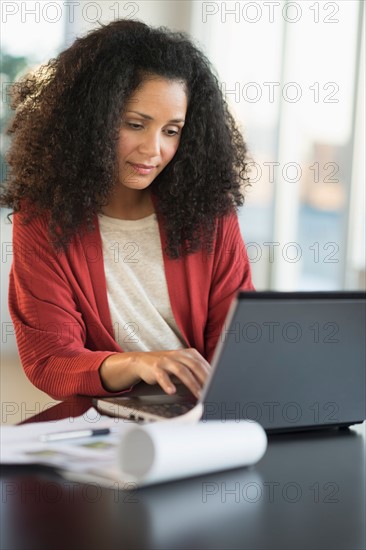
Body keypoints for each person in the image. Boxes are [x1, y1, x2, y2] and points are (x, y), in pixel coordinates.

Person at [1, 19, 254, 401]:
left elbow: (237, 345)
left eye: (172, 130)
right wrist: (138, 363)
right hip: (108, 418)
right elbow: (50, 360)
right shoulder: (43, 220)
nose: (154, 150)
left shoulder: (209, 214)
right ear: (91, 122)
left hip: (199, 413)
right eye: (136, 124)